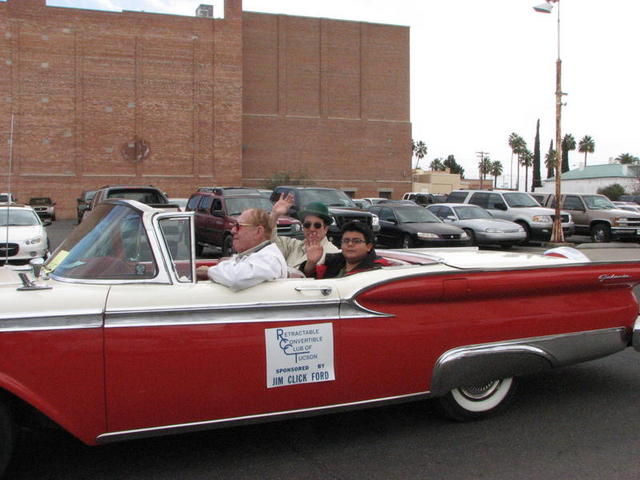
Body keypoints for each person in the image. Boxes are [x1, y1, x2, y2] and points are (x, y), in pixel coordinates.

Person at [196, 208, 288, 290]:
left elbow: (236, 278)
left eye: (239, 226)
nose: (233, 230)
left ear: (258, 231)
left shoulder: (270, 259)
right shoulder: (253, 255)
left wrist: (208, 272)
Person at [270, 194, 340, 269]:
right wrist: (274, 214)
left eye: (317, 225)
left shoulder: (332, 253)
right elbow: (270, 241)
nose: (312, 229)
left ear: (325, 228)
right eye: (307, 225)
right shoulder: (294, 246)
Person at [303, 221, 390, 279]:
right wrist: (311, 262)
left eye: (356, 241)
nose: (350, 244)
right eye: (346, 241)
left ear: (369, 246)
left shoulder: (378, 269)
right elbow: (312, 281)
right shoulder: (333, 262)